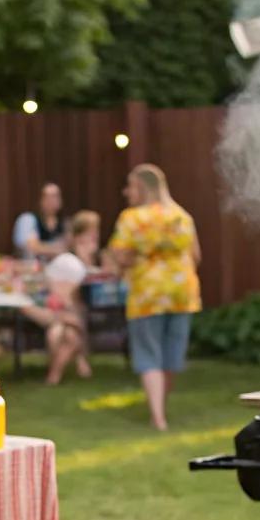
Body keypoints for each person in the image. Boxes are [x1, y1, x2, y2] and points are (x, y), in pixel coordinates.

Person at [106, 163, 201, 431]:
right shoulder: (182, 216)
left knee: (149, 353)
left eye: (130, 186)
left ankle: (157, 417)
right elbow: (196, 256)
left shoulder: (133, 218)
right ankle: (161, 408)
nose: (126, 192)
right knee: (171, 354)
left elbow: (120, 255)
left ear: (143, 188)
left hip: (147, 294)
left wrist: (134, 258)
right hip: (183, 293)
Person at [22, 211, 100, 384]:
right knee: (66, 333)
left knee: (61, 333)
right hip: (60, 310)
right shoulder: (67, 260)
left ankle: (54, 374)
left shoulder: (80, 256)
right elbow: (60, 294)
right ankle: (62, 371)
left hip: (66, 311)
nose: (95, 235)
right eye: (92, 232)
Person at [13, 183, 66, 261]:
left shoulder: (64, 224)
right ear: (40, 200)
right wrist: (56, 249)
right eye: (46, 196)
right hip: (30, 269)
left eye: (54, 196)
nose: (51, 200)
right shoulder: (28, 219)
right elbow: (31, 247)